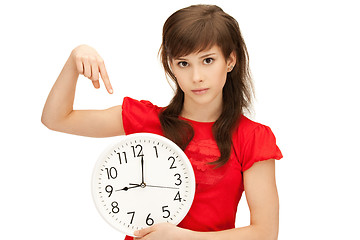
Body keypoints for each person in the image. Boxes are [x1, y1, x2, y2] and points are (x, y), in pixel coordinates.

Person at [42, 4, 283, 240]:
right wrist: (75, 58)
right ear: (171, 66)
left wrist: (182, 237)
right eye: (183, 63)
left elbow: (265, 232)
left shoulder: (252, 137)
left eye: (208, 60)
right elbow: (56, 119)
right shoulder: (145, 120)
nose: (196, 77)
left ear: (230, 61)